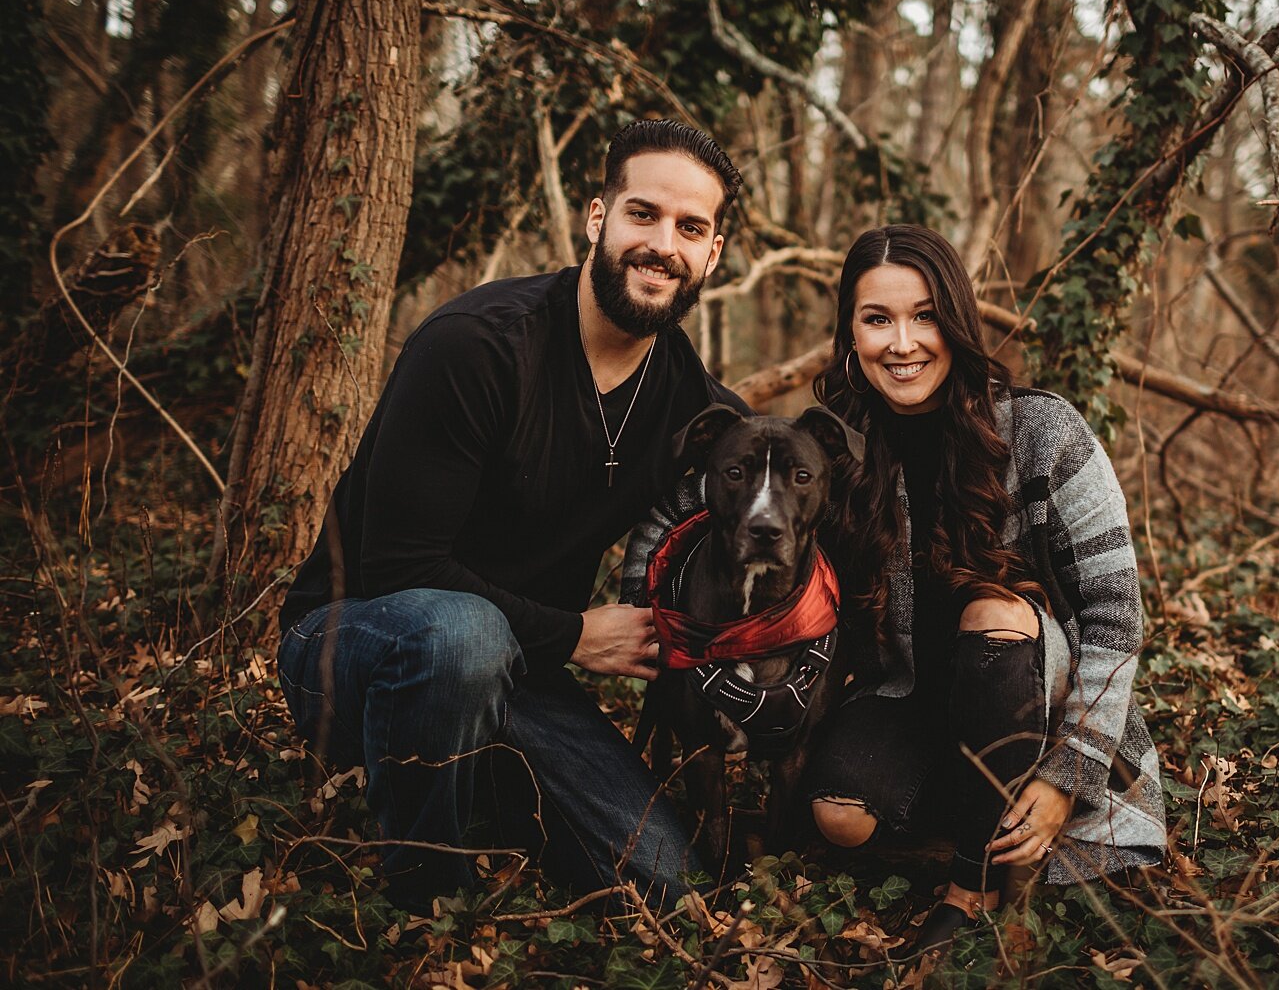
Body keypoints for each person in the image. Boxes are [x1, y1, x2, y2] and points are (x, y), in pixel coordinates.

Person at [275, 119, 750, 913]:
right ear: (598, 219)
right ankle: (428, 908)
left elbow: (786, 477)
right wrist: (573, 636)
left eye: (689, 227)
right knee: (460, 637)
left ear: (711, 254)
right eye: (643, 214)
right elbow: (399, 568)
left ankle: (480, 782)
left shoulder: (691, 407)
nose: (662, 244)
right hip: (352, 645)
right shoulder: (478, 347)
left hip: (518, 675)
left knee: (670, 884)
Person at [804, 224, 1167, 952]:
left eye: (925, 315)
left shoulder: (1042, 430)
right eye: (878, 320)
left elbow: (1117, 618)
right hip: (912, 694)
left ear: (957, 322)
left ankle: (968, 888)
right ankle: (981, 809)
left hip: (1030, 686)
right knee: (838, 818)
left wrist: (1069, 775)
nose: (903, 342)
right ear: (850, 334)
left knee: (994, 610)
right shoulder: (834, 446)